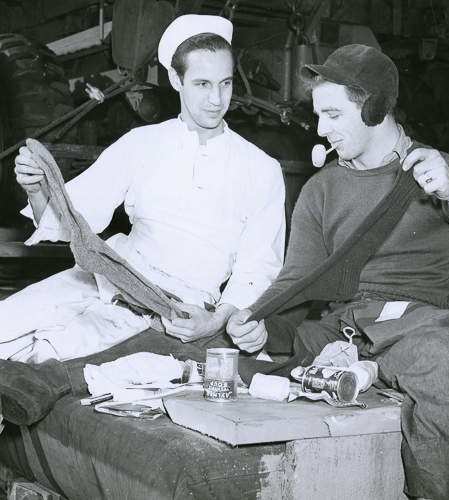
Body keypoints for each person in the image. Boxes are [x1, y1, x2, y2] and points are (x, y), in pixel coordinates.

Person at [226, 44, 449, 500]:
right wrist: (259, 324)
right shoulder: (321, 190)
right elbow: (297, 285)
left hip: (415, 328)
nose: (320, 129)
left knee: (443, 357)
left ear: (374, 106)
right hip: (338, 330)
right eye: (318, 115)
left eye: (333, 114)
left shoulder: (436, 169)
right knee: (211, 348)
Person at [0, 13, 285, 421]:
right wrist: (35, 188)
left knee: (44, 361)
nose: (216, 99)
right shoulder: (143, 144)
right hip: (103, 279)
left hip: (172, 310)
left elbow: (258, 268)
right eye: (202, 84)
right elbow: (70, 218)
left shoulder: (261, 169)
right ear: (176, 81)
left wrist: (214, 320)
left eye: (225, 83)